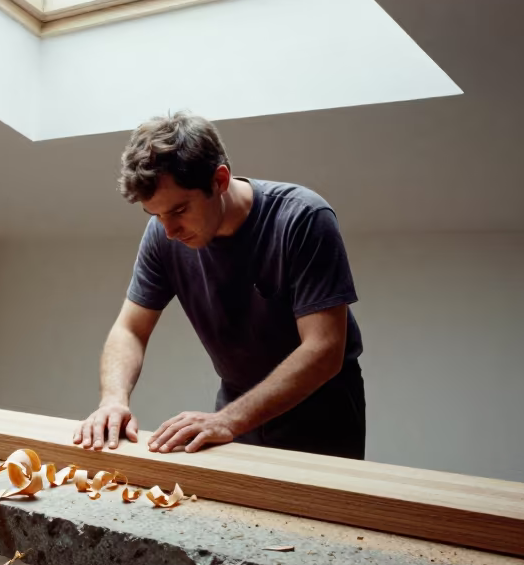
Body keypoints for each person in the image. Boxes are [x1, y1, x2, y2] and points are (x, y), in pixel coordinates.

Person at [73, 111, 365, 459]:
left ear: (219, 180)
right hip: (234, 410)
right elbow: (131, 329)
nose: (169, 230)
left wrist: (229, 420)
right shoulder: (163, 235)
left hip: (321, 418)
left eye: (179, 210)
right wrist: (113, 399)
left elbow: (324, 350)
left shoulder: (302, 218)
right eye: (156, 215)